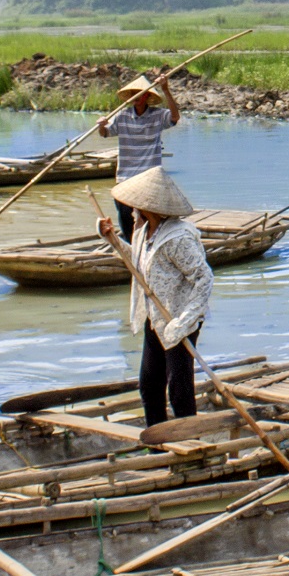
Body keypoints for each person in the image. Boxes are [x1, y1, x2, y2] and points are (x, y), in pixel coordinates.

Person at [97, 166, 211, 429]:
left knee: (179, 390)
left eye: (133, 208)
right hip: (155, 318)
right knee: (149, 385)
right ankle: (158, 442)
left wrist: (183, 322)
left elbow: (204, 278)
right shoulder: (144, 232)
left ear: (146, 208)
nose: (130, 212)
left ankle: (189, 445)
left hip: (178, 319)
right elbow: (138, 265)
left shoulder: (178, 239)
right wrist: (112, 239)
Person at [99, 74, 180, 240]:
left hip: (148, 176)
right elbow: (105, 133)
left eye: (139, 93)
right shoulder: (122, 116)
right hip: (126, 176)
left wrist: (165, 89)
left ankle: (149, 242)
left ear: (147, 96)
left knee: (147, 215)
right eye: (132, 94)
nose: (134, 97)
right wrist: (101, 125)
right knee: (124, 214)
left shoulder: (157, 116)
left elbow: (174, 117)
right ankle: (130, 244)